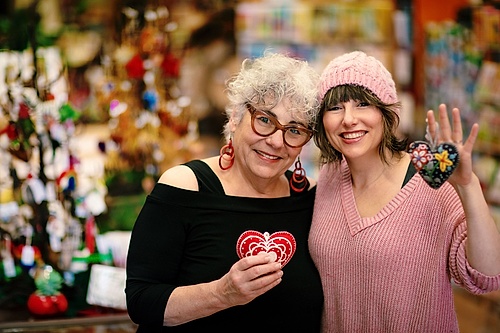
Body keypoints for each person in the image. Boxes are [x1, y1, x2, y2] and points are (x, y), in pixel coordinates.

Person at [125, 52, 324, 332]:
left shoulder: (310, 197)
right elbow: (141, 303)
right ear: (234, 118)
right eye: (265, 120)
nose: (277, 142)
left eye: (294, 129)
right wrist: (223, 293)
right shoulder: (186, 187)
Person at [309, 50, 500, 332]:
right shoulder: (328, 177)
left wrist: (468, 185)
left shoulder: (429, 177)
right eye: (335, 108)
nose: (348, 119)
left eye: (363, 104)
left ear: (387, 112)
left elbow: (486, 276)